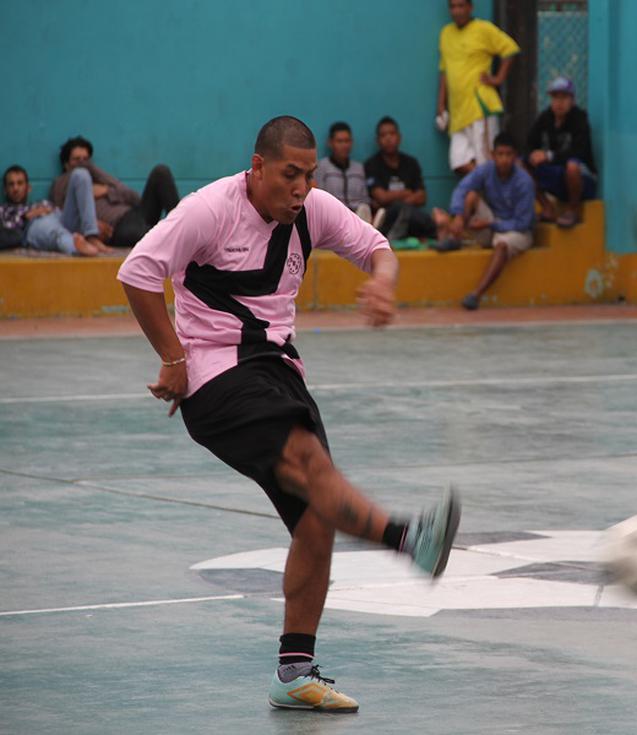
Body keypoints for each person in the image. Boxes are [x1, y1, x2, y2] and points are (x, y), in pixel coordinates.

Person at [116, 116, 460, 713]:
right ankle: (408, 539)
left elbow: (378, 249)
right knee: (307, 464)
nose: (301, 188)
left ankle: (294, 672)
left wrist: (384, 283)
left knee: (314, 522)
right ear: (257, 168)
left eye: (309, 175)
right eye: (289, 174)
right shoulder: (209, 211)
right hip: (217, 377)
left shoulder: (314, 211)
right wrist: (172, 356)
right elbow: (138, 273)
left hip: (279, 373)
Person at [431, 132, 535, 310]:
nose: (504, 160)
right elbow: (462, 188)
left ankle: (476, 294)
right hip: (493, 223)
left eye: (508, 155)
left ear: (515, 157)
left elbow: (522, 222)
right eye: (500, 154)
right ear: (493, 155)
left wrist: (490, 224)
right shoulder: (487, 170)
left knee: (502, 245)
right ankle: (455, 238)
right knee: (470, 195)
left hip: (517, 231)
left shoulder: (524, 182)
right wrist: (457, 215)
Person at [50, 135, 180, 248]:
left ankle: (182, 227)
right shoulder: (62, 182)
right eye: (77, 160)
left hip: (136, 213)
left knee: (161, 171)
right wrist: (91, 226)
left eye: (86, 159)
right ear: (66, 164)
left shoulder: (99, 178)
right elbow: (61, 216)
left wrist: (106, 190)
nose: (82, 163)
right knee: (160, 236)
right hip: (117, 228)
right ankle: (180, 236)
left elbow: (135, 198)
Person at [437, 0, 520, 176]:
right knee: (458, 162)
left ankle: (493, 200)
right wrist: (441, 104)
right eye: (453, 6)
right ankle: (487, 199)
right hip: (457, 112)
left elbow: (510, 49)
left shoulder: (483, 28)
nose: (457, 11)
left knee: (486, 162)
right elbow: (444, 70)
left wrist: (498, 79)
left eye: (461, 6)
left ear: (470, 7)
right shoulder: (446, 33)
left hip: (479, 107)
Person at [525, 76, 598, 228]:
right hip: (557, 173)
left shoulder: (580, 119)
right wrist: (533, 154)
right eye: (555, 97)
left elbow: (579, 151)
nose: (559, 102)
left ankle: (573, 210)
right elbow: (529, 143)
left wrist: (549, 155)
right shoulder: (545, 118)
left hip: (582, 178)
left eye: (564, 97)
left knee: (572, 165)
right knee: (521, 164)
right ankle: (547, 207)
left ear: (572, 100)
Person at [1, 164, 111, 256]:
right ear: (5, 190)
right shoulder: (4, 210)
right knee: (56, 232)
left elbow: (61, 212)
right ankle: (77, 247)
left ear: (28, 187)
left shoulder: (40, 203)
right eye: (11, 184)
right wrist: (25, 217)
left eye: (19, 183)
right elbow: (10, 233)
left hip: (60, 218)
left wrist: (93, 222)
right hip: (33, 227)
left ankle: (92, 236)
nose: (15, 188)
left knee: (80, 174)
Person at [364, 116, 437, 241]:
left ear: (399, 137)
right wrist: (406, 193)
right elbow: (381, 197)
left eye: (392, 134)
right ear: (378, 140)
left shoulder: (411, 163)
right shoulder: (371, 164)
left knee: (406, 211)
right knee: (397, 208)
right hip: (387, 219)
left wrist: (398, 201)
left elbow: (422, 197)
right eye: (383, 135)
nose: (388, 139)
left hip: (411, 217)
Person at [314, 121, 372, 223]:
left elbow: (365, 200)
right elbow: (318, 197)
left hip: (357, 215)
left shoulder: (359, 168)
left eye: (347, 141)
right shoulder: (322, 166)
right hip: (333, 216)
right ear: (330, 143)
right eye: (339, 141)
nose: (344, 145)